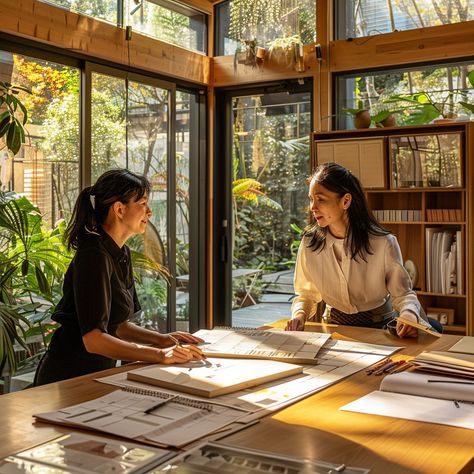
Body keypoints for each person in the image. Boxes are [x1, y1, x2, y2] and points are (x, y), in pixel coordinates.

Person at [35, 169, 204, 386]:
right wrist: (161, 355)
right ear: (119, 209)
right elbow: (94, 339)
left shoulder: (120, 252)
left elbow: (119, 326)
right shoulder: (93, 256)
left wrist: (163, 340)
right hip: (68, 376)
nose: (149, 212)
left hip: (96, 373)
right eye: (143, 203)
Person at [285, 162, 438, 337]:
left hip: (380, 330)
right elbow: (306, 294)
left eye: (320, 199)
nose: (313, 207)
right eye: (311, 199)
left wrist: (408, 315)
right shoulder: (310, 243)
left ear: (346, 201)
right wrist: (299, 316)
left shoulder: (382, 243)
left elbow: (403, 295)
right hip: (332, 331)